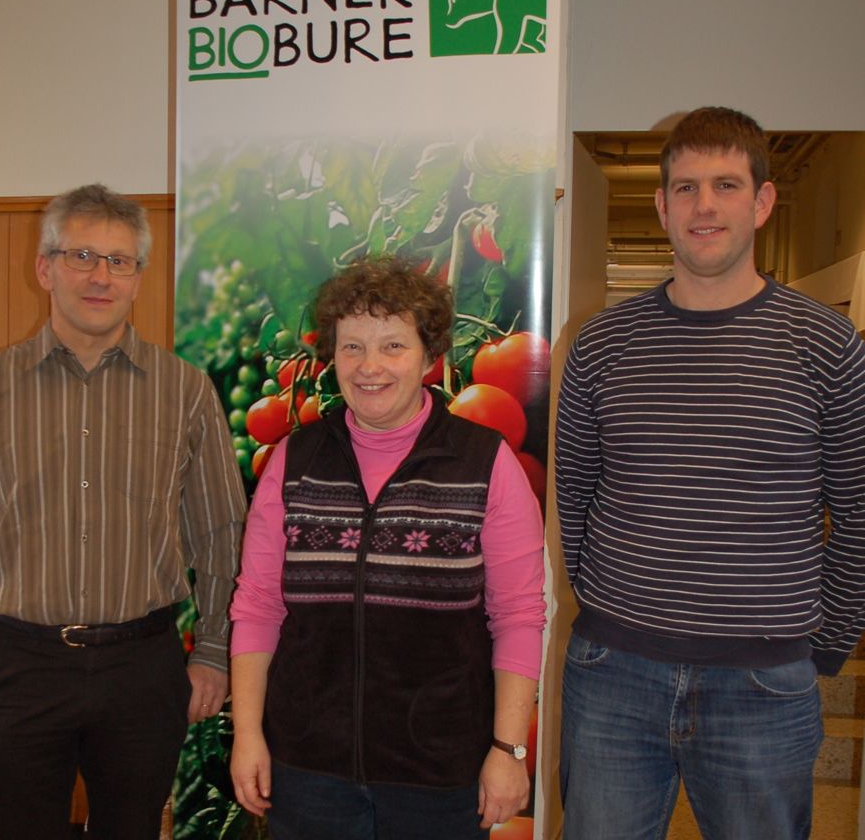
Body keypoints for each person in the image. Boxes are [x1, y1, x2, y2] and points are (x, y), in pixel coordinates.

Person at [0, 183, 247, 840]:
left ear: (139, 277)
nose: (100, 276)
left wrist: (212, 650)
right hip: (20, 666)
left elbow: (222, 536)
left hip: (143, 668)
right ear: (45, 268)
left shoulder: (185, 391)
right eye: (81, 255)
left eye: (119, 261)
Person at [555, 106, 865, 839]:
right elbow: (574, 498)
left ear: (762, 201)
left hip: (763, 685)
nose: (704, 206)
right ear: (662, 206)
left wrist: (822, 645)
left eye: (726, 184)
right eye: (686, 187)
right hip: (613, 673)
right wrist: (609, 610)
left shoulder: (827, 344)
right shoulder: (601, 345)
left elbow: (859, 514)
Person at [229, 256, 546, 840]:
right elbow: (257, 607)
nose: (369, 366)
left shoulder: (485, 462)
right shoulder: (296, 461)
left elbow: (519, 616)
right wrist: (248, 733)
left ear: (429, 358)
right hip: (309, 768)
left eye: (393, 346)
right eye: (352, 347)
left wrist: (509, 749)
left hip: (441, 772)